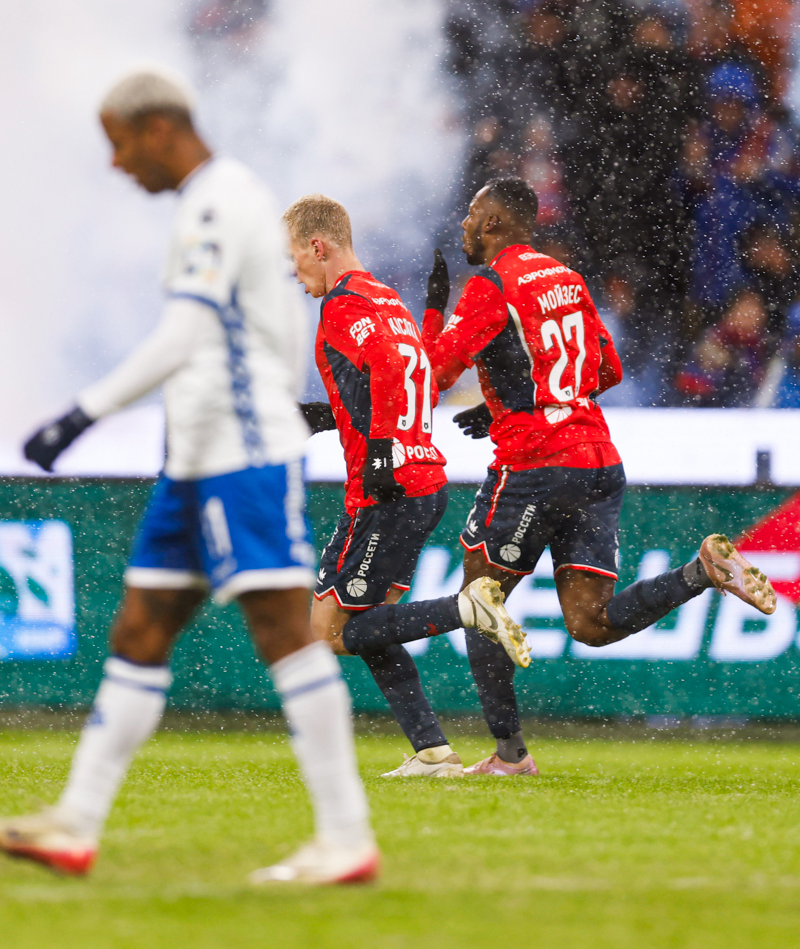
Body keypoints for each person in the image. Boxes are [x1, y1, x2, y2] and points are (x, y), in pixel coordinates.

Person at [0, 69, 377, 886]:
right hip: (196, 455)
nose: (116, 163)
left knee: (285, 634)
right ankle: (75, 823)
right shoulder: (216, 205)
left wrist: (81, 414)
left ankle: (347, 838)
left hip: (242, 453)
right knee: (138, 631)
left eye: (119, 144)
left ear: (159, 130)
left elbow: (184, 332)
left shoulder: (220, 201)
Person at [421, 177, 777, 775]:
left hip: (537, 463)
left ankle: (510, 756)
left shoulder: (491, 284)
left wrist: (434, 310)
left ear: (493, 223)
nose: (463, 224)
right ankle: (701, 572)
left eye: (472, 214)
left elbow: (430, 376)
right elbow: (606, 368)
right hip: (598, 463)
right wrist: (512, 396)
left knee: (478, 601)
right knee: (592, 623)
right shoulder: (568, 278)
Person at [283, 194, 530, 779]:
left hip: (386, 488)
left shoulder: (343, 305)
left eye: (294, 257)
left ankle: (467, 608)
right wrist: (331, 416)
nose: (294, 271)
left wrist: (380, 451)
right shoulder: (386, 299)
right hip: (418, 480)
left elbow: (392, 371)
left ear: (318, 246)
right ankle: (433, 751)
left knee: (330, 631)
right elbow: (413, 373)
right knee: (367, 625)